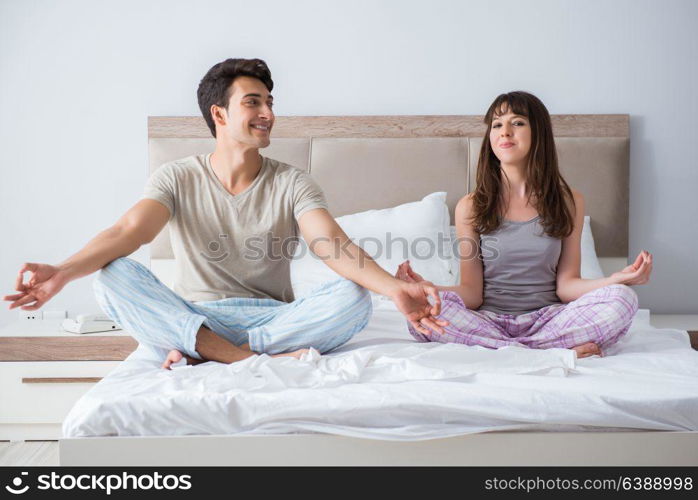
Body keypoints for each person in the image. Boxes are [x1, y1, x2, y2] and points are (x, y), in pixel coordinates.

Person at [3, 58, 447, 369]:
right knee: (113, 274)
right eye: (253, 102)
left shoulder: (293, 182)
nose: (268, 113)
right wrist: (62, 271)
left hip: (273, 319)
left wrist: (393, 289)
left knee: (353, 296)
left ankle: (211, 353)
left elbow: (333, 247)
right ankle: (244, 359)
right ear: (219, 113)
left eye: (270, 102)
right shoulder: (176, 177)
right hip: (196, 315)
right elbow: (128, 231)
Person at [395, 91, 651, 358]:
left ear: (538, 132)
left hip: (550, 320)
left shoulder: (569, 200)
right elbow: (472, 294)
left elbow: (567, 286)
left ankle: (510, 351)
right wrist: (426, 291)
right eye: (496, 125)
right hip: (489, 321)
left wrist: (614, 280)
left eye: (517, 122)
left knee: (622, 299)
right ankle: (552, 351)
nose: (504, 131)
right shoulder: (470, 206)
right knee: (423, 317)